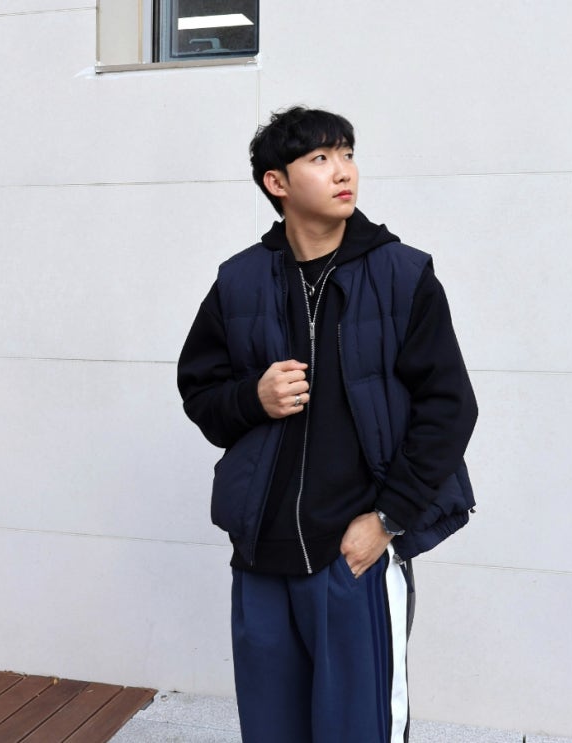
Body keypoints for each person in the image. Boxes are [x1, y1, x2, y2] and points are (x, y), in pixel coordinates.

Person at [177, 106, 478, 743]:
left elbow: (450, 407)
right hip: (260, 558)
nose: (344, 171)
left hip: (351, 558)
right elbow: (200, 392)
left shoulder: (403, 275)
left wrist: (387, 520)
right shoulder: (239, 281)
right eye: (320, 158)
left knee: (358, 731)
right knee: (271, 731)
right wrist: (253, 398)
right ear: (277, 183)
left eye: (347, 154)